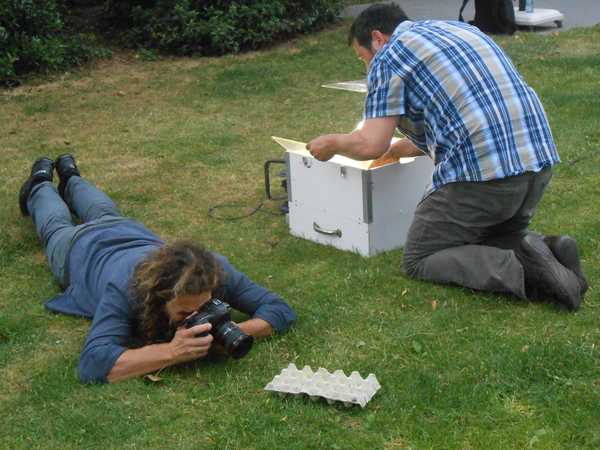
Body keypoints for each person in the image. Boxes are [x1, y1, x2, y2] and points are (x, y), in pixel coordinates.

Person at [307, 4, 587, 310]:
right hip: (538, 162)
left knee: (420, 258)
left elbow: (370, 144)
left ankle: (529, 272)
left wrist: (332, 143)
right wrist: (401, 148)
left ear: (376, 38)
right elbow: (464, 113)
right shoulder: (461, 31)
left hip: (485, 177)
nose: (367, 69)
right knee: (492, 234)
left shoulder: (389, 56)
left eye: (364, 59)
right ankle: (548, 249)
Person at [19, 154, 296, 383]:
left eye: (206, 305)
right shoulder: (126, 288)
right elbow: (93, 364)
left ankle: (71, 176)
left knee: (103, 210)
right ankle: (40, 182)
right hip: (78, 249)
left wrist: (236, 330)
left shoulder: (211, 270)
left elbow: (280, 309)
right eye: (186, 313)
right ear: (159, 295)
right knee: (55, 224)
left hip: (126, 230)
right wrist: (172, 351)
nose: (200, 317)